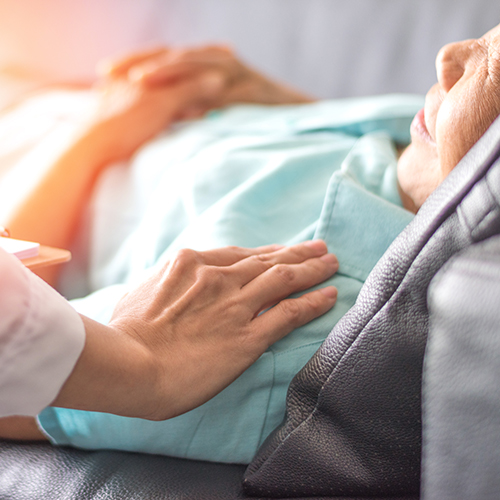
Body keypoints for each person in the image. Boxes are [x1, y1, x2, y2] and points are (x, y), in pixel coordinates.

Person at [2, 22, 500, 463]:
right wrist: (280, 110)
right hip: (42, 95)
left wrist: (98, 136)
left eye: (497, 67)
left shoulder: (273, 326)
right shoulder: (427, 143)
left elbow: (20, 371)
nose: (449, 55)